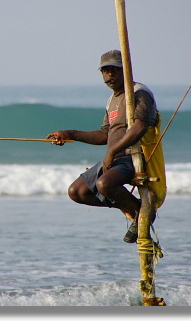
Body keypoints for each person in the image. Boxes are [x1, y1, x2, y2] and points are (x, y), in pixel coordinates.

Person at [46, 49, 159, 243]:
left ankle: (142, 212)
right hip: (114, 158)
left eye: (114, 70)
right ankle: (131, 206)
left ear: (126, 70)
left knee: (104, 184)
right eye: (105, 71)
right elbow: (105, 135)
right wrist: (69, 134)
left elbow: (140, 127)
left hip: (133, 156)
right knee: (77, 192)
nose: (109, 75)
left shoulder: (139, 93)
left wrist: (112, 151)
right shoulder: (112, 100)